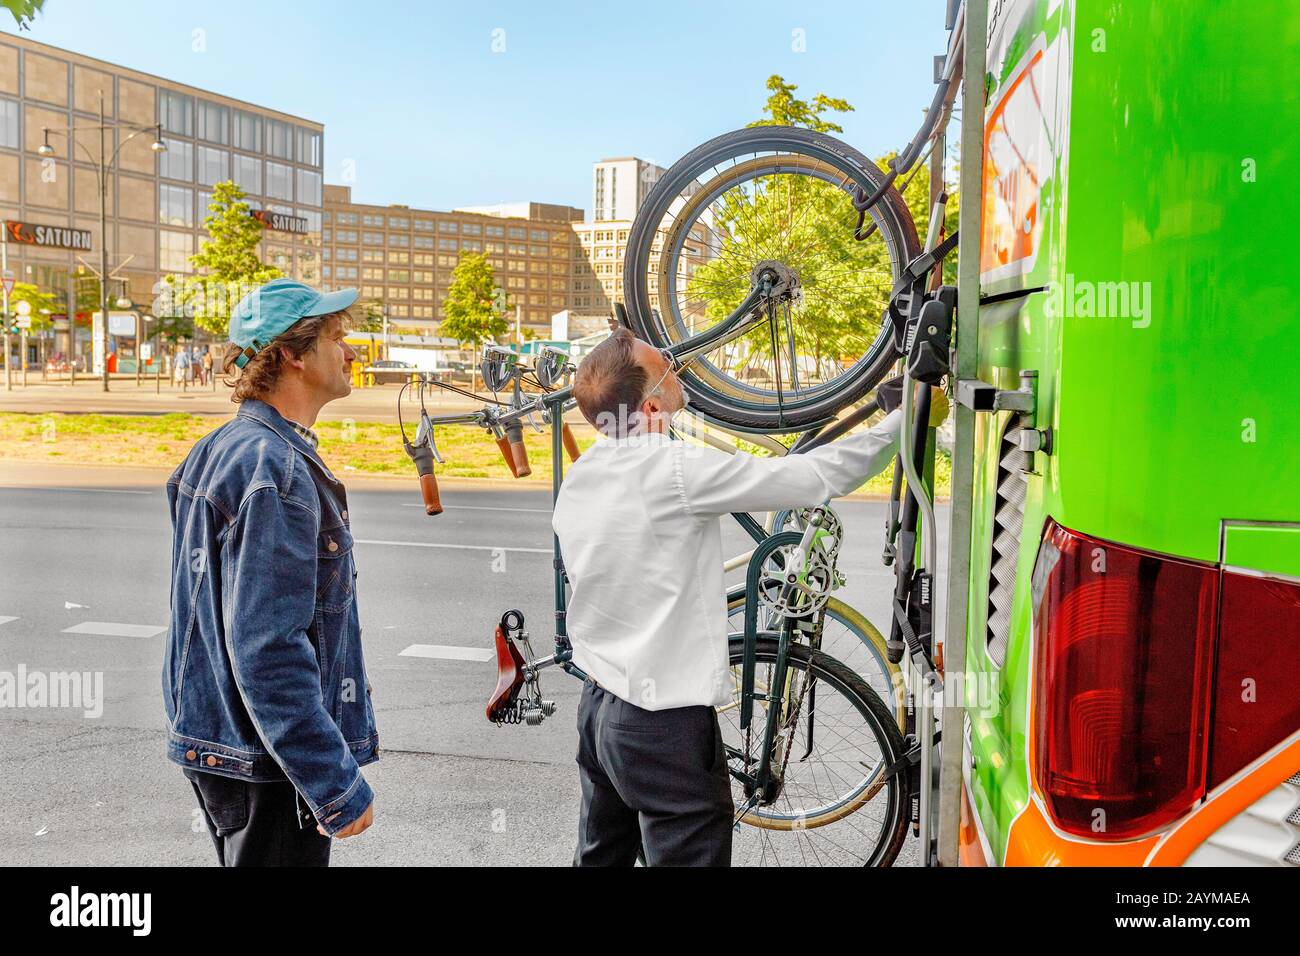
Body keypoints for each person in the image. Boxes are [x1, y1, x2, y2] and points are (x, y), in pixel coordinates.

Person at [553, 327, 948, 866]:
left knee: (600, 858)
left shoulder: (583, 475)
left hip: (600, 714)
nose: (677, 368)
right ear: (649, 407)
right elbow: (816, 476)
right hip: (661, 724)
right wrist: (906, 421)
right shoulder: (671, 470)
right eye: (665, 367)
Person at [163, 278, 378, 867]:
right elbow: (267, 647)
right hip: (267, 763)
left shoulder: (222, 447)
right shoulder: (275, 470)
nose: (351, 351)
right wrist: (331, 780)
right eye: (337, 337)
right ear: (292, 354)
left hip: (226, 742)